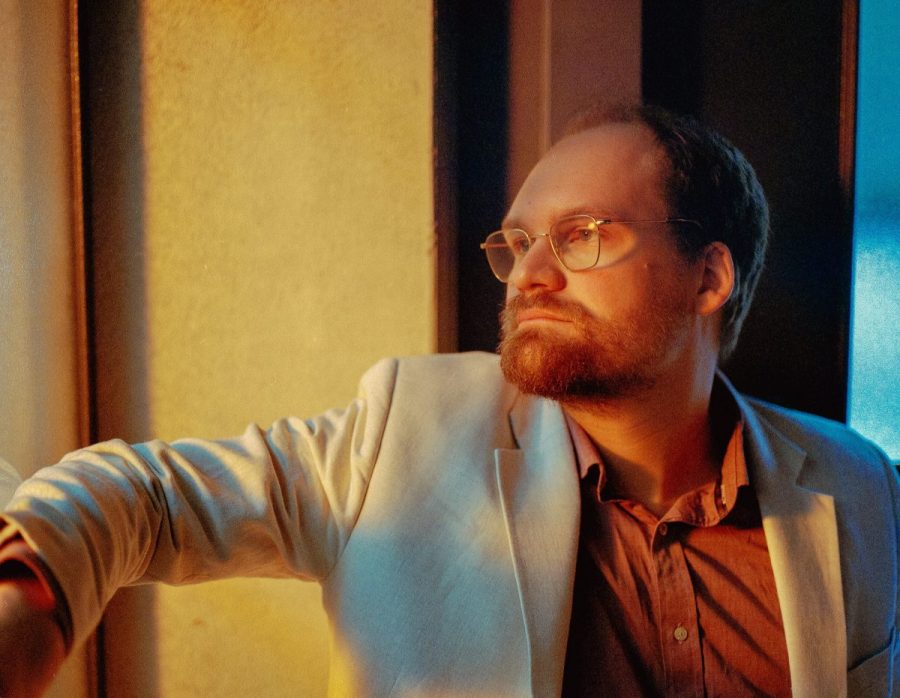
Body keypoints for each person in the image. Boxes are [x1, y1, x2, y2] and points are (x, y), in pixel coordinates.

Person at [1, 104, 897, 697]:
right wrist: (26, 599)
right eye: (518, 242)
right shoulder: (406, 431)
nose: (529, 275)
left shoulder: (861, 487)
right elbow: (144, 498)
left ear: (709, 277)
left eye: (582, 235)